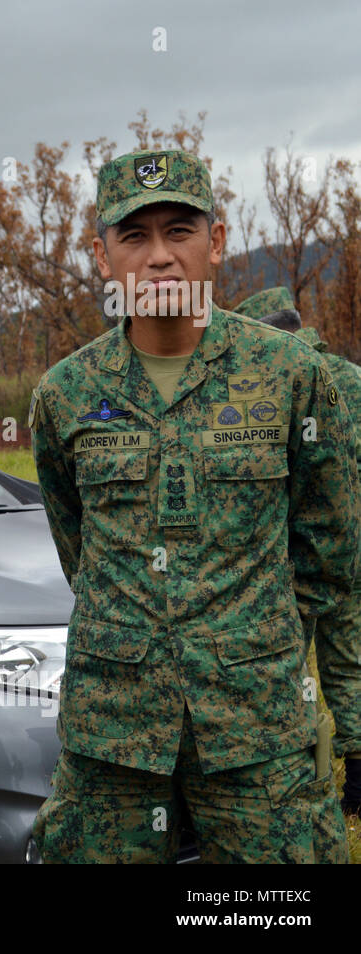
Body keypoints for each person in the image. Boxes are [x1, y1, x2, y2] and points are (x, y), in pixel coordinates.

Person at [28, 149, 357, 862]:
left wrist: (341, 718)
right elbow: (80, 553)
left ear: (216, 242)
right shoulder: (66, 394)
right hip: (113, 737)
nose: (159, 258)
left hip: (255, 730)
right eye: (134, 237)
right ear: (102, 255)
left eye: (180, 231)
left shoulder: (291, 375)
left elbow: (332, 563)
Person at [235, 286, 361, 817]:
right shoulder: (350, 375)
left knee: (288, 667)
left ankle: (299, 777)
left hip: (303, 550)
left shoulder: (271, 384)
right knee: (349, 661)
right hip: (351, 540)